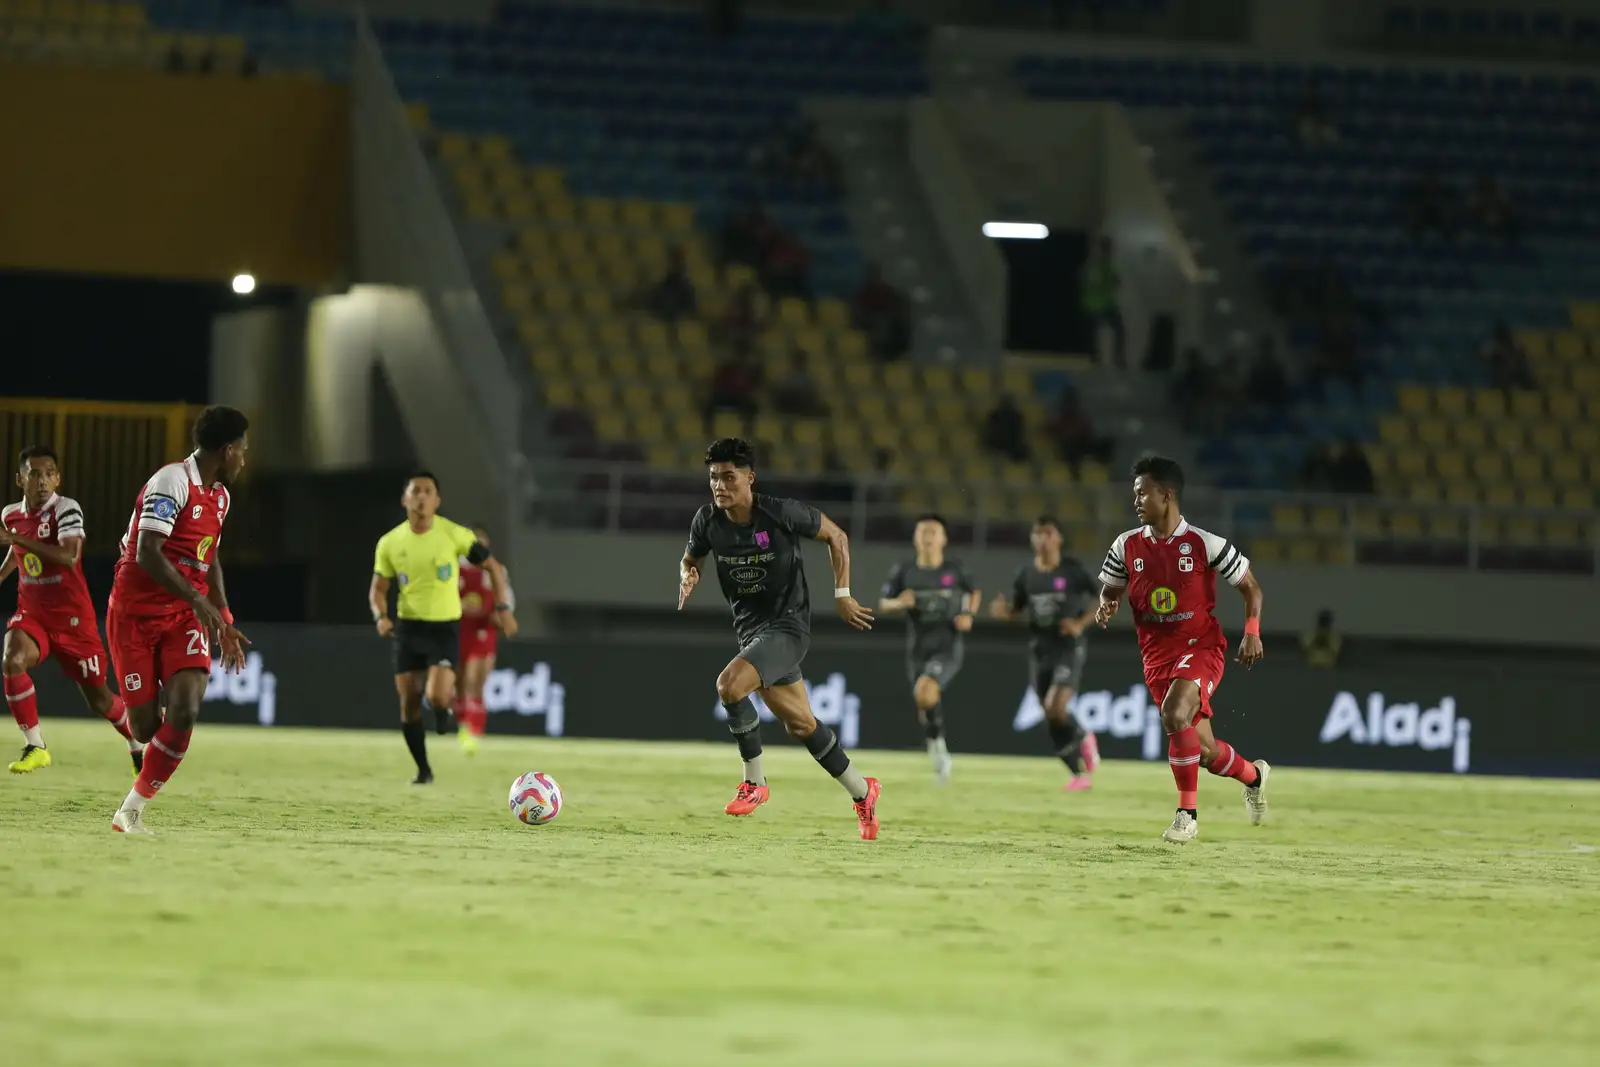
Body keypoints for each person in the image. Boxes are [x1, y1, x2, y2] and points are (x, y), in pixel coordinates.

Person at [678, 437, 881, 839]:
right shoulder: (707, 521)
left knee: (730, 685)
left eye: (729, 477)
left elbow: (837, 537)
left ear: (749, 478)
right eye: (714, 478)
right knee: (802, 725)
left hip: (788, 627)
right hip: (751, 633)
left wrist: (842, 595)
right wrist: (688, 572)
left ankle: (754, 782)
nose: (720, 485)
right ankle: (863, 791)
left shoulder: (780, 513)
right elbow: (691, 556)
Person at [1094, 454, 1269, 844]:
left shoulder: (1205, 544)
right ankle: (1254, 777)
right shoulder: (1126, 546)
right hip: (1156, 657)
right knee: (1204, 752)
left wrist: (1252, 631)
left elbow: (1250, 587)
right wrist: (1108, 602)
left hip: (1202, 647)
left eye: (1143, 494)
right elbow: (1111, 588)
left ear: (1167, 495)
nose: (1136, 501)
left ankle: (1186, 815)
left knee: (1174, 713)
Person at [106, 406, 253, 834]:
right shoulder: (171, 482)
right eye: (243, 449)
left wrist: (222, 617)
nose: (245, 458)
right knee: (146, 725)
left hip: (182, 617)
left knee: (185, 711)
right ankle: (142, 728)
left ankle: (130, 810)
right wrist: (197, 599)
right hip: (133, 614)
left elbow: (210, 559)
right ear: (227, 450)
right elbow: (146, 552)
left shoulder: (220, 497)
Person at [1, 446, 143, 774]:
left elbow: (68, 556)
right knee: (12, 658)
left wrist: (15, 539)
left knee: (101, 702)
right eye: (35, 473)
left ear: (58, 478)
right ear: (19, 479)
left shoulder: (66, 509)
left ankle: (136, 741)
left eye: (49, 473)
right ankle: (35, 745)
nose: (43, 480)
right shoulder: (11, 515)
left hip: (74, 620)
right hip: (33, 613)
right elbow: (16, 551)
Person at [369, 473, 516, 785]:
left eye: (428, 491)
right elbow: (378, 589)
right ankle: (423, 769)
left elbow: (493, 566)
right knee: (409, 703)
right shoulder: (390, 543)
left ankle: (441, 712)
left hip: (445, 628)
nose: (422, 497)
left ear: (438, 501)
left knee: (437, 695)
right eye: (416, 491)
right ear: (405, 499)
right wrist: (380, 616)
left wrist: (502, 607)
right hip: (408, 628)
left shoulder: (455, 535)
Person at [989, 516, 1100, 790]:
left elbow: (1105, 598)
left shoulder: (1072, 571)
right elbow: (1016, 610)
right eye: (1037, 534)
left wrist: (1079, 623)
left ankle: (1084, 737)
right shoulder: (1026, 575)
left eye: (1048, 534)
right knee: (1050, 715)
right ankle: (1077, 773)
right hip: (1041, 651)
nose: (1042, 539)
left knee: (1055, 706)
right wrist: (1003, 613)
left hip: (1068, 648)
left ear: (1059, 538)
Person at [877, 514, 979, 785]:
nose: (928, 537)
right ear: (915, 537)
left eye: (934, 532)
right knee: (924, 700)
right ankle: (939, 752)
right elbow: (884, 603)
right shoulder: (905, 571)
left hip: (947, 645)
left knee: (925, 690)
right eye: (923, 531)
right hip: (918, 648)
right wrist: (900, 602)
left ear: (944, 539)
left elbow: (974, 591)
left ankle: (940, 753)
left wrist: (967, 613)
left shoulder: (954, 569)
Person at [454, 523, 515, 756]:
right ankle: (463, 726)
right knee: (459, 684)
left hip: (483, 631)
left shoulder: (495, 570)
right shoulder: (453, 569)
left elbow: (507, 602)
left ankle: (474, 732)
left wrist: (501, 615)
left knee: (475, 682)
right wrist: (459, 607)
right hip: (458, 630)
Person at [1080, 236, 1124, 365]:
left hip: (1106, 303)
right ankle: (1095, 356)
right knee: (1095, 331)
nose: (1107, 254)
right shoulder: (1095, 266)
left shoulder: (1107, 265)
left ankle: (1115, 357)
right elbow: (1093, 283)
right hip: (1095, 303)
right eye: (1105, 250)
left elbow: (1116, 281)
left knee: (1118, 329)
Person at [982, 395, 1029, 463]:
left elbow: (1020, 433)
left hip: (1009, 444)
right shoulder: (995, 416)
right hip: (999, 443)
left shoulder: (1016, 417)